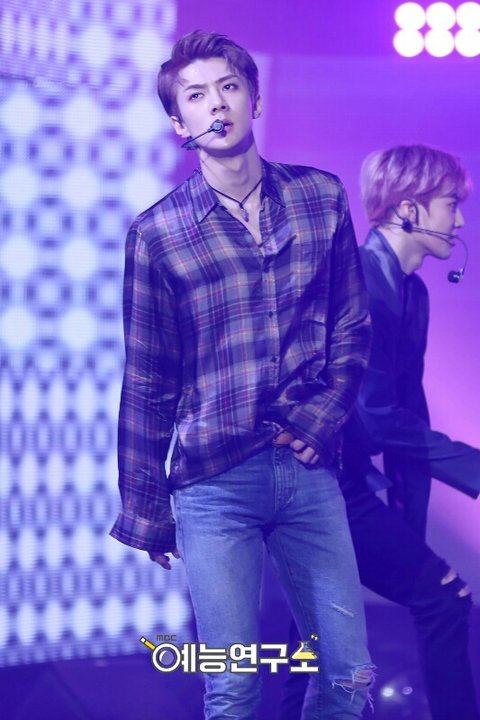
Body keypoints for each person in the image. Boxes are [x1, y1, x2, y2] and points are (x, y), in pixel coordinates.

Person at [110, 31, 374, 720]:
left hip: (305, 468)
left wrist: (322, 417)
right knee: (233, 688)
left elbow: (351, 324)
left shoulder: (320, 197)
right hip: (212, 480)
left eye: (229, 87)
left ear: (254, 99)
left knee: (348, 678)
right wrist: (144, 507)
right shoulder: (158, 234)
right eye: (196, 95)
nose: (217, 104)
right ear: (180, 124)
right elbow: (148, 382)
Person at [281, 144, 480, 720]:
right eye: (451, 205)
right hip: (315, 484)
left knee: (311, 638)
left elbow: (406, 413)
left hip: (343, 485)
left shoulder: (412, 292)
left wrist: (407, 524)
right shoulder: (360, 282)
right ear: (409, 209)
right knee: (442, 599)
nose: (460, 221)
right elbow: (374, 416)